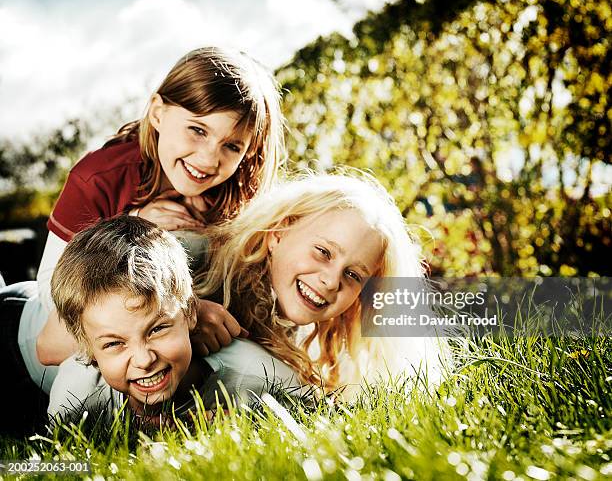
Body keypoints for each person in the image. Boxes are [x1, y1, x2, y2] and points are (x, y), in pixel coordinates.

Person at [18, 46, 285, 396]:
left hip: (166, 343)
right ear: (158, 113)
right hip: (41, 329)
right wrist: (133, 226)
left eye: (232, 146)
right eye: (198, 130)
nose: (208, 158)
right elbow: (50, 291)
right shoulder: (100, 177)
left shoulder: (238, 196)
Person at [196, 172, 441, 395]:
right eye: (323, 252)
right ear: (278, 232)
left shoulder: (304, 342)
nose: (332, 281)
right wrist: (186, 310)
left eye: (354, 275)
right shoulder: (197, 259)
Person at [47, 216, 300, 426]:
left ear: (191, 312)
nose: (144, 360)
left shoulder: (261, 377)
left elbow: (311, 416)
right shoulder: (77, 397)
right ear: (88, 349)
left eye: (156, 329)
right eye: (114, 344)